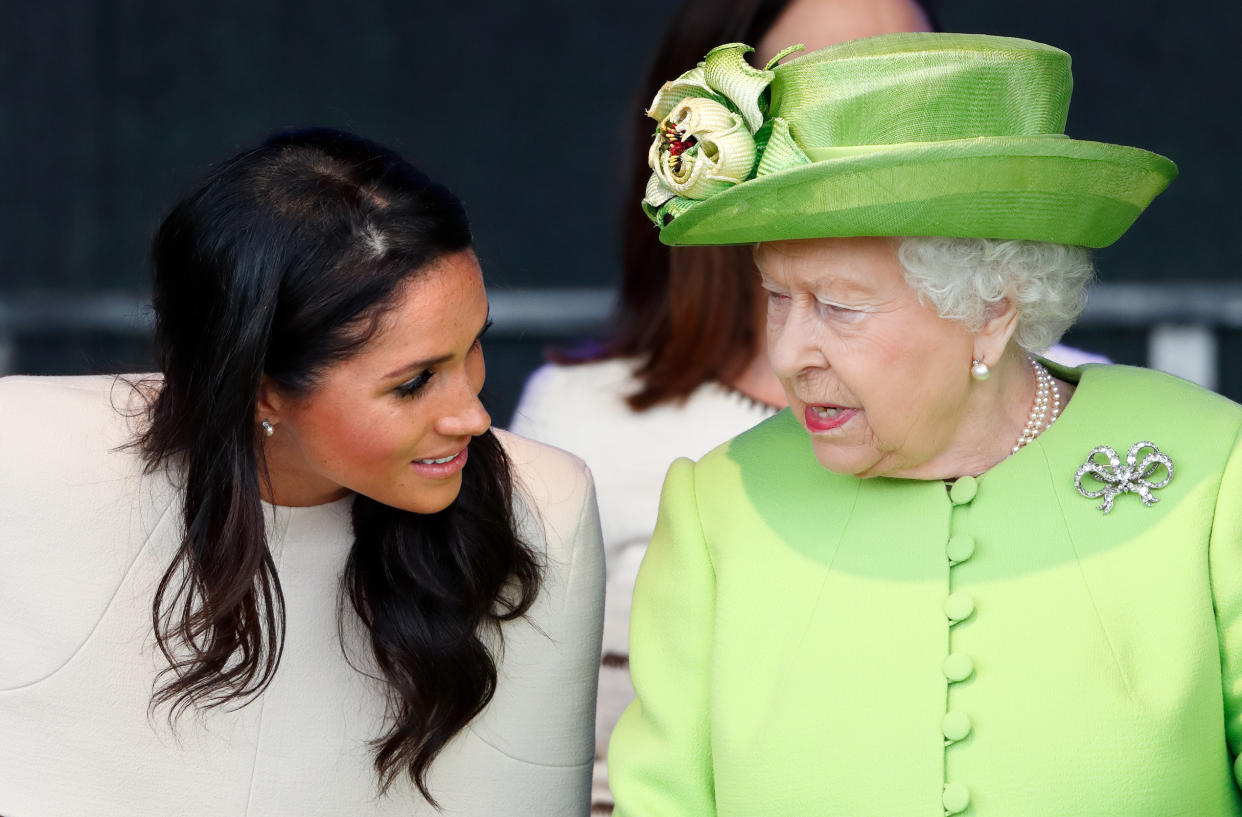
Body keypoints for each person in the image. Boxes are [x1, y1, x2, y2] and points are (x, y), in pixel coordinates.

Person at [607, 32, 1242, 816]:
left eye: (839, 307)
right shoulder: (719, 505)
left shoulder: (1214, 468)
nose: (790, 350)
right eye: (777, 297)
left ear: (991, 309)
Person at [511, 0, 1092, 810]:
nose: (876, 113)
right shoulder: (583, 419)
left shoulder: (1083, 405)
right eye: (826, 85)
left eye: (910, 77)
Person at [0, 129, 604, 816]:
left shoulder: (542, 507)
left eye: (473, 349)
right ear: (261, 388)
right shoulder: (23, 462)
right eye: (414, 382)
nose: (472, 414)